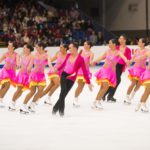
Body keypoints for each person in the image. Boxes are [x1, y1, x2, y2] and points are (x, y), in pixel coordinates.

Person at [52, 42, 93, 116]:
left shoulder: (80, 59)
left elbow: (84, 71)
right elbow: (64, 64)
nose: (68, 49)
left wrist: (89, 82)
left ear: (75, 48)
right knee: (63, 91)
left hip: (72, 77)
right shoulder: (68, 55)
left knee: (64, 94)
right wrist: (57, 69)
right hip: (64, 75)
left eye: (70, 48)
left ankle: (55, 108)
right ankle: (61, 112)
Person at [92, 39, 128, 109]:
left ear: (114, 44)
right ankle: (97, 101)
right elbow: (102, 57)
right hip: (104, 70)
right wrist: (95, 61)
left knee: (103, 88)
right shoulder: (107, 51)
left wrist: (127, 61)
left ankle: (96, 101)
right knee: (104, 86)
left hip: (111, 72)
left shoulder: (118, 52)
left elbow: (124, 57)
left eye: (110, 43)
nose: (109, 44)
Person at [20, 42, 53, 113]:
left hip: (41, 76)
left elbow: (50, 63)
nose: (35, 48)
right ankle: (23, 105)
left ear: (41, 47)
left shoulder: (47, 55)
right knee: (32, 91)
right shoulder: (34, 55)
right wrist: (28, 70)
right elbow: (31, 64)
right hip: (34, 75)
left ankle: (32, 104)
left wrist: (51, 68)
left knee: (40, 90)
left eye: (37, 47)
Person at [103, 35, 131, 102]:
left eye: (121, 38)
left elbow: (128, 58)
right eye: (119, 38)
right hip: (115, 65)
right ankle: (109, 96)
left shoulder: (127, 49)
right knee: (116, 81)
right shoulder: (116, 47)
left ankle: (105, 94)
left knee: (115, 81)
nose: (120, 40)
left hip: (120, 67)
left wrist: (128, 61)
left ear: (125, 40)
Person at [8, 44, 34, 111]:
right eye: (23, 47)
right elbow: (18, 63)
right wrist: (17, 65)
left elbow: (30, 65)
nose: (23, 49)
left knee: (21, 91)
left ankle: (15, 103)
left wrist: (29, 69)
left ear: (28, 49)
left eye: (24, 48)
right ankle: (12, 103)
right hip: (21, 75)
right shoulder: (22, 55)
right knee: (19, 90)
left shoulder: (32, 56)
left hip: (27, 76)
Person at [124, 38, 148, 104]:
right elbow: (133, 58)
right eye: (138, 42)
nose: (138, 43)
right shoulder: (137, 50)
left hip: (143, 70)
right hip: (136, 69)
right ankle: (127, 96)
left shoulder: (147, 51)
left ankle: (131, 97)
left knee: (139, 85)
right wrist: (129, 61)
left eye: (140, 42)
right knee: (133, 83)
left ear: (143, 43)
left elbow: (144, 57)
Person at [73, 41, 94, 107]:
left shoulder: (91, 53)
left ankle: (76, 98)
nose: (84, 45)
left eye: (85, 44)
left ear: (89, 45)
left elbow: (90, 61)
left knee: (81, 87)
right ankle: (75, 99)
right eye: (84, 44)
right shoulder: (81, 51)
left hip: (86, 71)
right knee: (79, 85)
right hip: (79, 70)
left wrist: (92, 63)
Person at [0, 41, 20, 107]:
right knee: (7, 86)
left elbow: (18, 62)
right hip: (5, 71)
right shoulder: (6, 54)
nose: (8, 46)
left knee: (3, 86)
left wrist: (18, 65)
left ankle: (0, 99)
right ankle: (0, 99)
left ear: (13, 47)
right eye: (8, 45)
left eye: (9, 45)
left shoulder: (16, 55)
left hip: (11, 73)